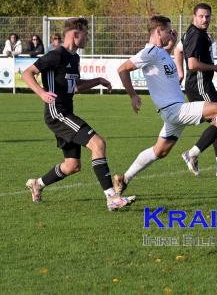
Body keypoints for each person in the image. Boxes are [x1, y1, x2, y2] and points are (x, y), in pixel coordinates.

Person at [113, 15, 217, 195]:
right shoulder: (149, 52)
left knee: (159, 151)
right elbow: (122, 69)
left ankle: (124, 179)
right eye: (168, 31)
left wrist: (172, 42)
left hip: (173, 112)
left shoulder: (160, 52)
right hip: (173, 110)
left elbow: (162, 59)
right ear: (158, 31)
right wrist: (133, 95)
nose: (171, 33)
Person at [21, 17, 135, 211]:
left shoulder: (74, 58)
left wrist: (98, 80)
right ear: (75, 34)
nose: (87, 39)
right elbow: (27, 73)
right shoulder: (56, 55)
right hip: (57, 113)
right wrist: (41, 92)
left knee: (72, 165)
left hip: (65, 112)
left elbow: (75, 87)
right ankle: (112, 198)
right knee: (98, 144)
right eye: (86, 35)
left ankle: (38, 183)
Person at [173, 4, 217, 178]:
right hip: (199, 84)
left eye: (208, 16)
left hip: (203, 83)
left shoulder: (193, 32)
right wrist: (215, 67)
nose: (205, 19)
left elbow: (177, 49)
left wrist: (180, 73)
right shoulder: (196, 35)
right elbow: (192, 64)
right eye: (201, 16)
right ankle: (192, 154)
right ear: (194, 16)